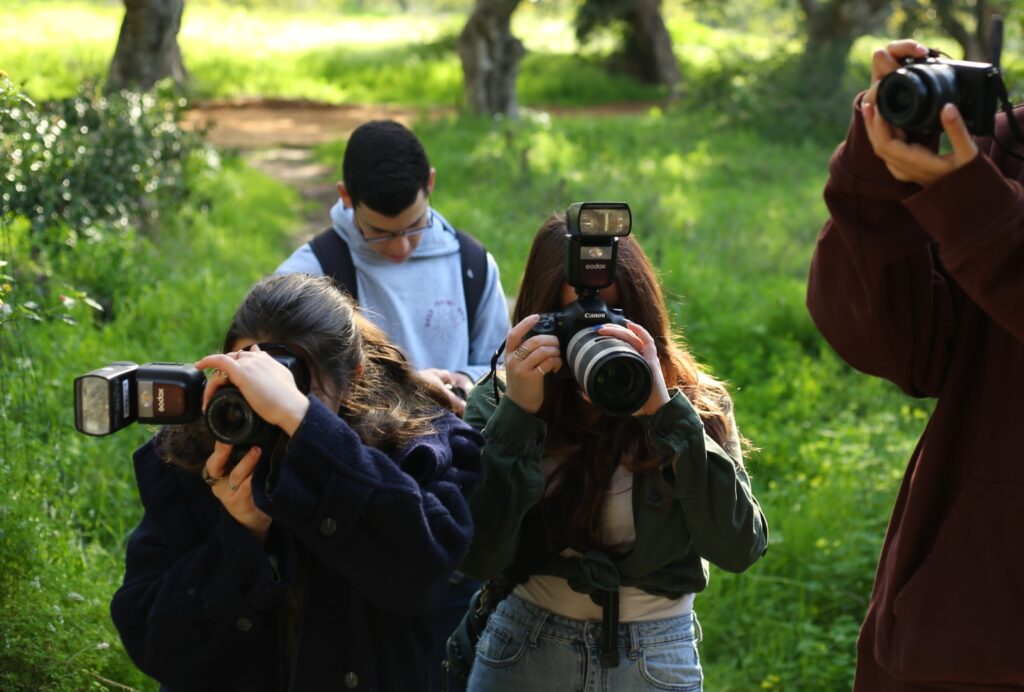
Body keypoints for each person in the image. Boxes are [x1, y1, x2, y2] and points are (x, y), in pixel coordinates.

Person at [109, 273, 483, 691]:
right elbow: (156, 645)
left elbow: (422, 573)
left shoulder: (416, 447)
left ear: (354, 377)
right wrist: (241, 539)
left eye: (289, 397)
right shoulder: (195, 455)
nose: (267, 418)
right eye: (251, 387)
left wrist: (308, 428)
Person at [457, 214, 769, 690]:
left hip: (656, 654)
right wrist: (519, 416)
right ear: (540, 319)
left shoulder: (692, 403)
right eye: (576, 324)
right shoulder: (502, 400)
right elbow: (476, 558)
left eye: (616, 318)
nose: (598, 342)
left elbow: (738, 547)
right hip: (527, 646)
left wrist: (665, 415)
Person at [807, 39, 1024, 690]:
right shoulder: (1004, 141)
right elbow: (906, 353)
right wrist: (873, 182)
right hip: (968, 635)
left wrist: (985, 219)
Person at [274, 119, 510, 416]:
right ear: (346, 196)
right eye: (380, 232)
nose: (400, 248)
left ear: (431, 184)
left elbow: (501, 365)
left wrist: (465, 383)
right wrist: (406, 390)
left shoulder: (472, 265)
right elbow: (287, 386)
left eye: (413, 227)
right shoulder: (308, 277)